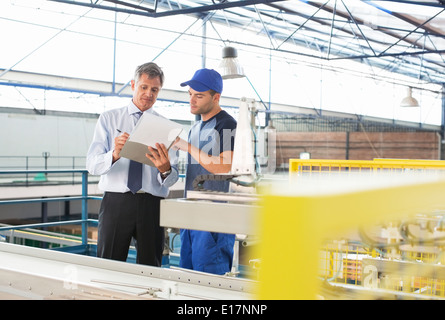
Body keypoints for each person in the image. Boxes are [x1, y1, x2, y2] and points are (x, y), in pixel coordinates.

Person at [86, 62, 179, 267]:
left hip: (151, 204)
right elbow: (92, 164)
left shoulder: (167, 127)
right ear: (133, 85)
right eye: (144, 87)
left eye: (154, 89)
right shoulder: (108, 119)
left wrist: (165, 170)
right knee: (109, 264)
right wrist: (114, 154)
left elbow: (172, 179)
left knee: (151, 268)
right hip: (116, 202)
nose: (148, 93)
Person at [174, 68, 237, 275]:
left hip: (213, 220)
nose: (192, 100)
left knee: (211, 282)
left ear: (216, 97)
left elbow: (224, 166)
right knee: (187, 279)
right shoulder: (194, 129)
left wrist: (187, 147)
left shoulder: (227, 124)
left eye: (199, 96)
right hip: (191, 216)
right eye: (190, 94)